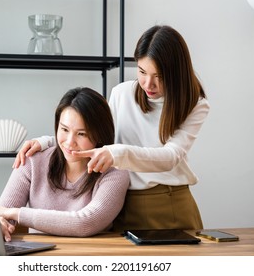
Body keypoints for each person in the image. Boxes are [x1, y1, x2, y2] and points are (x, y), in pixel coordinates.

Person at [13, 25, 210, 231]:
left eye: (159, 76)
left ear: (176, 73)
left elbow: (171, 157)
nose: (148, 83)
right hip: (123, 202)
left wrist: (116, 153)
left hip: (171, 203)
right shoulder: (122, 93)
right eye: (142, 71)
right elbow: (95, 133)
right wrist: (47, 141)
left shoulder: (195, 104)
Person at [0, 87, 130, 241]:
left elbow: (85, 223)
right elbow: (2, 213)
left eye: (81, 134)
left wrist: (17, 214)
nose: (69, 142)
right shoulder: (32, 161)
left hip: (89, 257)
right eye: (64, 129)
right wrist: (0, 222)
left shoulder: (115, 172)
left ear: (99, 134)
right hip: (39, 257)